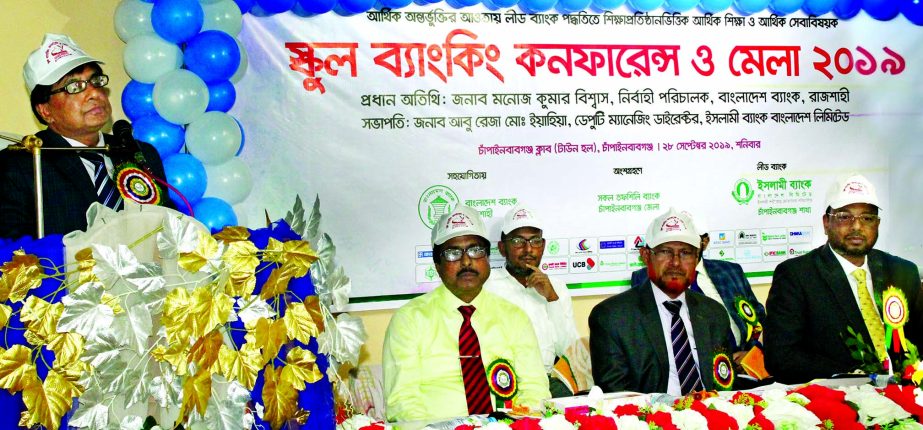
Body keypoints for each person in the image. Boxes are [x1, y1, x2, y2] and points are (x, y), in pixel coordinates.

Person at [383, 205, 549, 422]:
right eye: (453, 253)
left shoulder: (513, 317)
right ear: (437, 264)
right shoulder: (409, 320)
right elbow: (403, 402)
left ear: (488, 258)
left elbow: (534, 389)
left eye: (476, 250)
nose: (466, 261)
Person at [0, 33, 172, 239]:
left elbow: (169, 226)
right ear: (45, 110)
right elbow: (14, 252)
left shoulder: (140, 153)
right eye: (74, 87)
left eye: (96, 81)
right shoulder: (21, 164)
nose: (94, 93)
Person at [764, 174, 923, 383]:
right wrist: (858, 377)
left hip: (909, 391)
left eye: (867, 218)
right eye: (844, 217)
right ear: (826, 222)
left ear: (877, 224)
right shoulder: (797, 275)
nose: (857, 226)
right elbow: (782, 358)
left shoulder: (903, 271)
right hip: (841, 397)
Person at [590, 208, 733, 395]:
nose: (675, 262)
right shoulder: (612, 317)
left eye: (686, 253)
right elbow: (618, 396)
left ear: (697, 258)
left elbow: (725, 382)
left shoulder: (714, 313)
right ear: (646, 256)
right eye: (665, 252)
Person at [631, 213, 766, 362]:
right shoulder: (648, 277)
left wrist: (751, 354)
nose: (677, 259)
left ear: (705, 243)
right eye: (667, 250)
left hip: (746, 363)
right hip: (692, 369)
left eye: (688, 247)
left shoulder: (730, 271)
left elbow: (758, 317)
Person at [484, 204, 579, 397]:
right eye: (518, 241)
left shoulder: (557, 288)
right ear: (502, 248)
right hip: (503, 385)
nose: (528, 249)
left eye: (535, 241)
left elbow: (569, 350)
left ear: (543, 246)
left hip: (549, 381)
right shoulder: (486, 286)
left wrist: (552, 298)